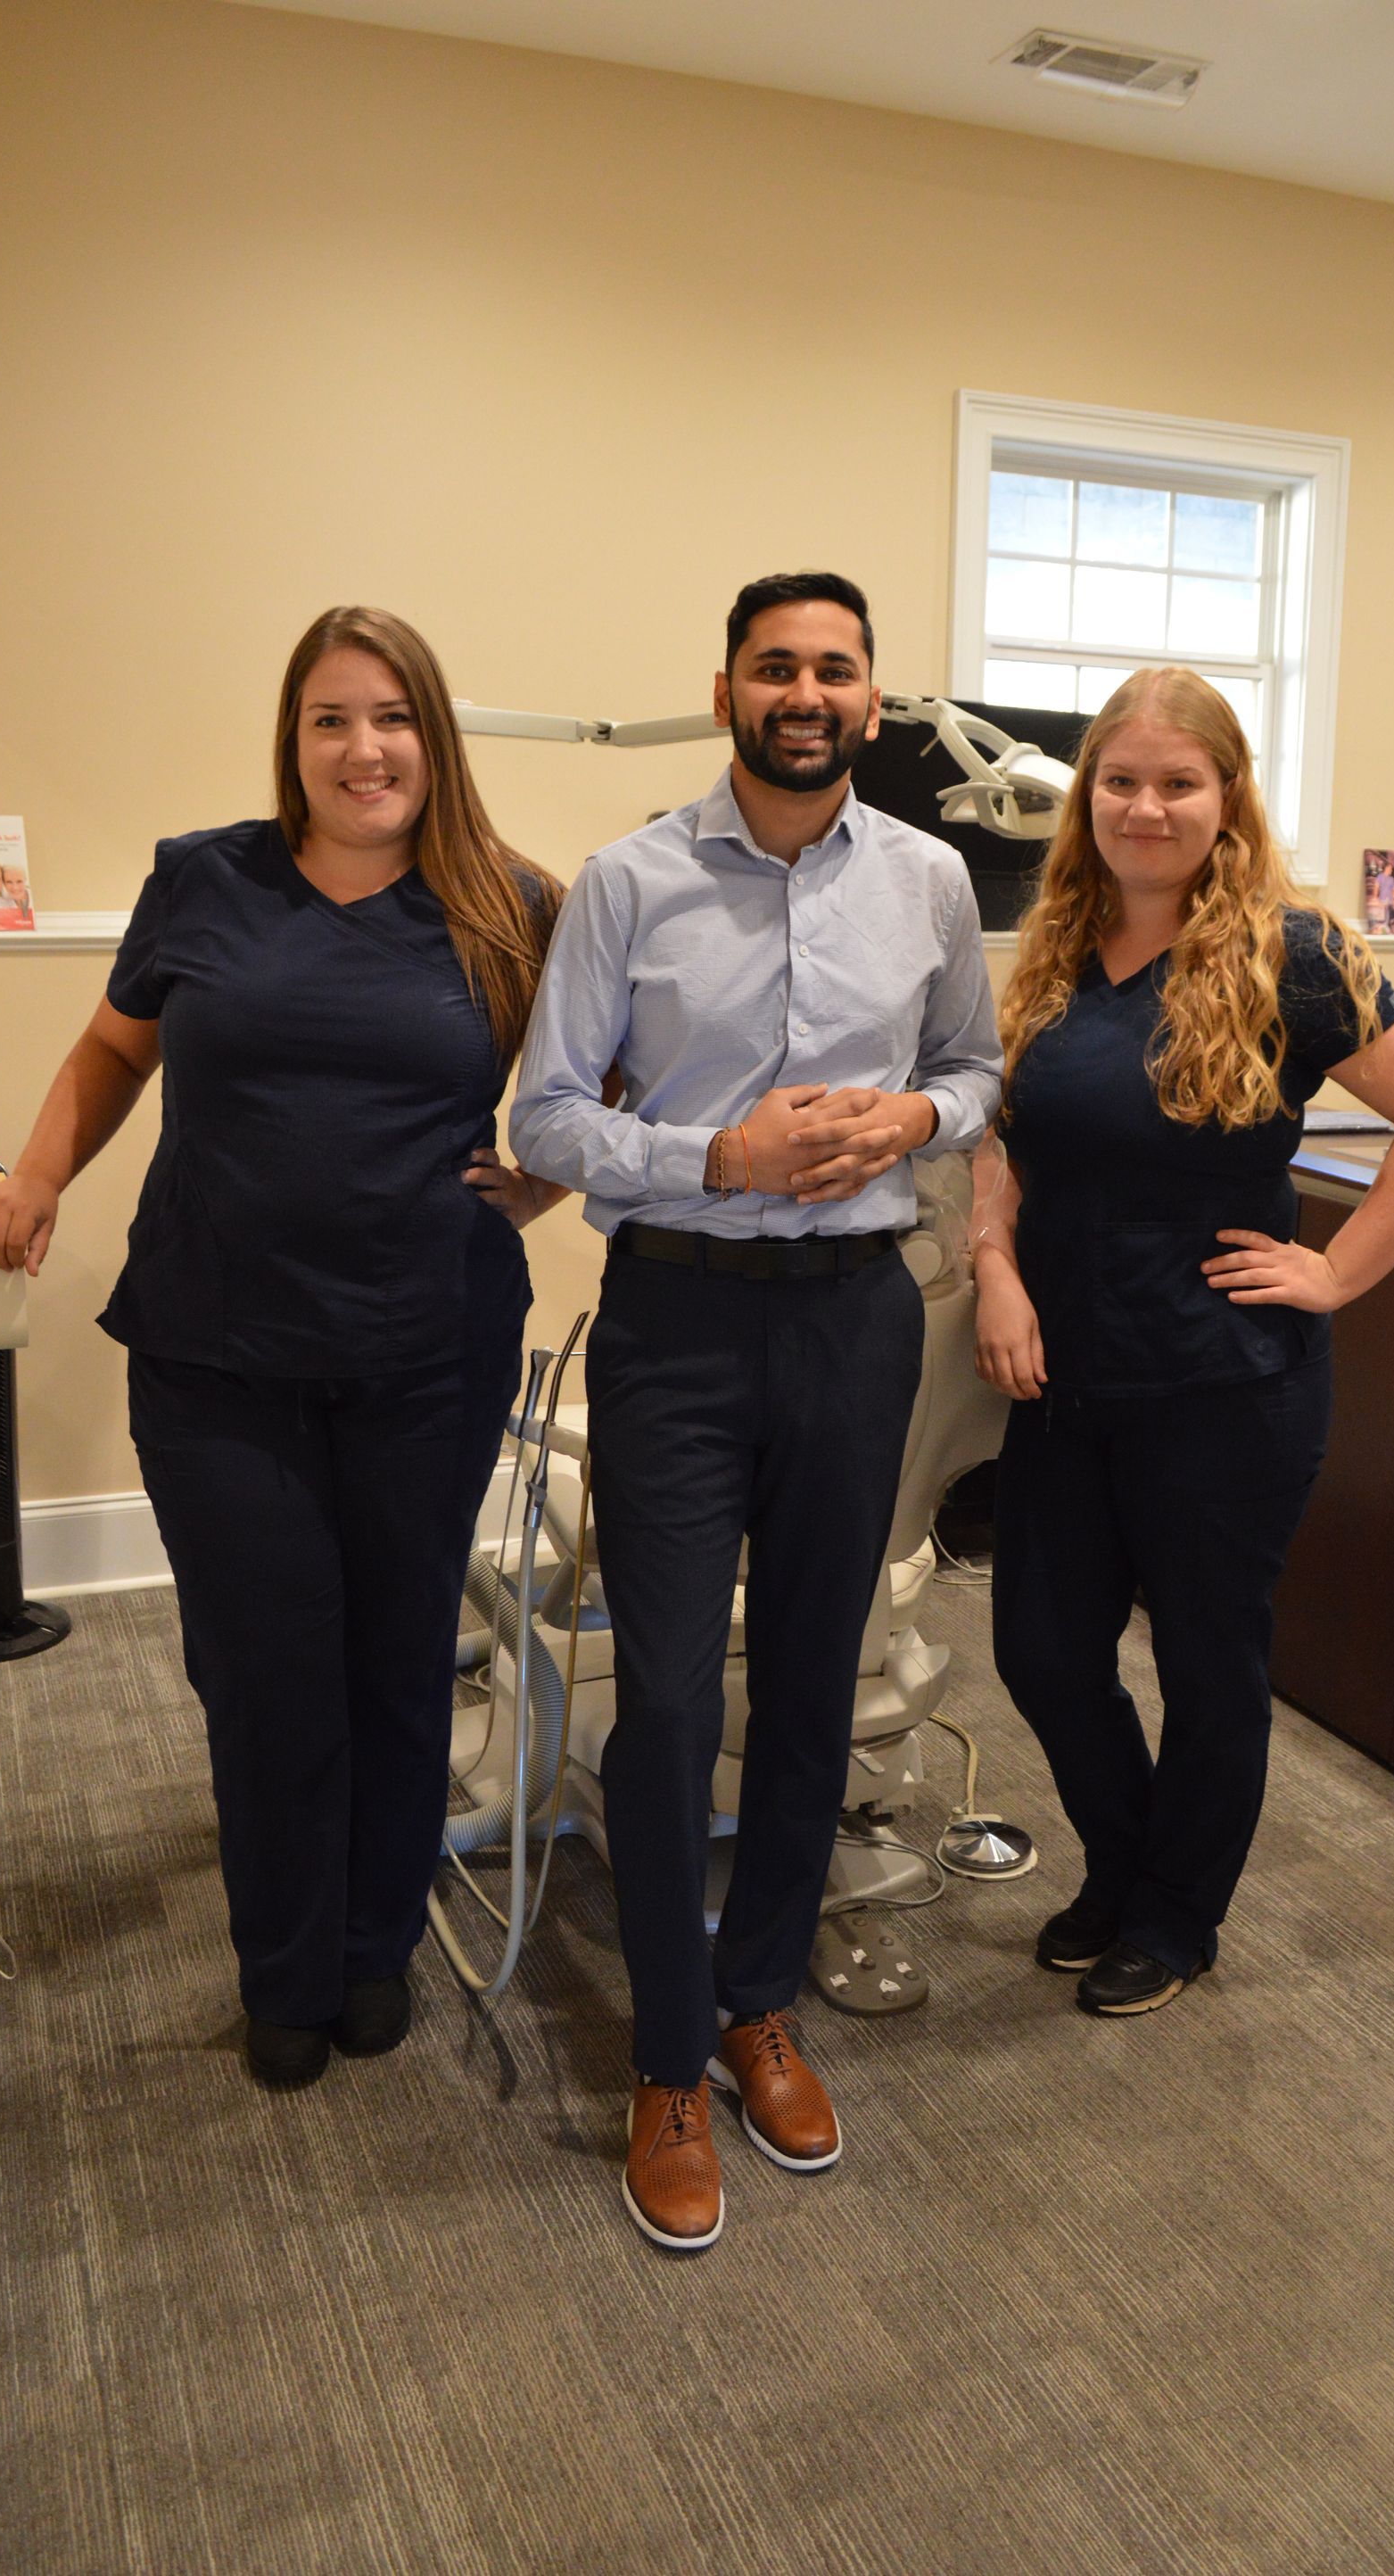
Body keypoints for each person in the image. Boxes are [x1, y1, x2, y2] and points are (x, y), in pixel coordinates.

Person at [0, 606, 565, 2088]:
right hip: (216, 1350)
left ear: (436, 734)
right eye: (331, 720)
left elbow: (602, 1070)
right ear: (293, 741)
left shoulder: (513, 901)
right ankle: (286, 1966)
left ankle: (373, 1947)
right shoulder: (205, 880)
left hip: (428, 1346)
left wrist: (548, 1175)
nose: (365, 750)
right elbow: (113, 1048)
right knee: (264, 1665)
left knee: (400, 1653)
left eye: (393, 718)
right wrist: (38, 1177)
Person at [511, 570, 1002, 2250]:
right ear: (725, 684)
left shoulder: (932, 879)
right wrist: (719, 1155)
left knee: (811, 1677)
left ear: (872, 698)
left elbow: (980, 1070)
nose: (808, 692)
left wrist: (913, 1119)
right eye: (777, 666)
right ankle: (663, 2058)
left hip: (859, 1322)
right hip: (680, 1322)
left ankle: (759, 2004)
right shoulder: (628, 882)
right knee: (660, 1699)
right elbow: (553, 1119)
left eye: (837, 670)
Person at [972, 666, 1394, 2017]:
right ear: (1088, 800)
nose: (1145, 807)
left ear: (1226, 798)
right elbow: (1005, 1139)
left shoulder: (1293, 951)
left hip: (1223, 1386)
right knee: (1038, 1646)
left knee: (1207, 1665)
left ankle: (1174, 1917)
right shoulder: (1058, 945)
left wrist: (1335, 1272)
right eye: (1120, 782)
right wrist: (993, 1269)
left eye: (1177, 783)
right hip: (1066, 1374)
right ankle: (1131, 1861)